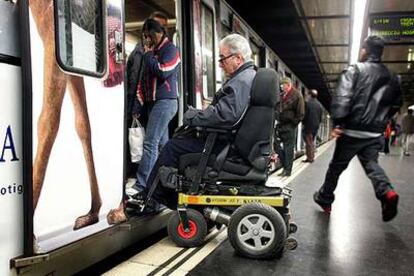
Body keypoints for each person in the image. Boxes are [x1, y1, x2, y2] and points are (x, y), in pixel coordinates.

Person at [128, 33, 256, 209]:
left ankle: (151, 198)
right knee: (179, 141)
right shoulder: (247, 77)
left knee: (172, 147)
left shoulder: (241, 80)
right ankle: (167, 197)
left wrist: (193, 116)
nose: (220, 64)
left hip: (225, 147)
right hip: (232, 143)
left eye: (222, 59)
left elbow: (226, 116)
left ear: (238, 58)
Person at [30, 0, 104, 230]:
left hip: (63, 21)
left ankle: (26, 219)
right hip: (71, 25)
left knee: (49, 116)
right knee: (77, 112)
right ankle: (96, 201)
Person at [313, 36, 402, 222]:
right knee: (372, 165)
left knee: (336, 167)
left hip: (352, 131)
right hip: (374, 133)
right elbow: (397, 104)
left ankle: (325, 198)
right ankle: (387, 192)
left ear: (365, 50)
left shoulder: (355, 70)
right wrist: (382, 120)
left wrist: (338, 123)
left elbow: (342, 98)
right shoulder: (393, 77)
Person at [126, 18, 180, 198]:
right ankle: (162, 183)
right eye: (145, 37)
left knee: (150, 143)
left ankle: (142, 185)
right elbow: (143, 81)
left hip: (166, 102)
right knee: (162, 144)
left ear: (157, 33)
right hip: (153, 103)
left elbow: (164, 71)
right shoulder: (153, 52)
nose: (147, 40)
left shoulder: (170, 49)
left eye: (149, 36)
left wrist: (148, 55)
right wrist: (137, 106)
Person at [274, 77, 304, 176]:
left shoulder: (297, 95)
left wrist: (292, 124)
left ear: (288, 84)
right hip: (280, 125)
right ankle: (285, 166)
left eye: (282, 85)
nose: (281, 87)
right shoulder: (282, 95)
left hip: (289, 126)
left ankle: (287, 170)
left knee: (288, 149)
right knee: (276, 145)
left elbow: (300, 114)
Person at [302, 89, 323, 162]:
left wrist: (303, 123)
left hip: (308, 125)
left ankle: (310, 158)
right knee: (311, 141)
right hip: (316, 126)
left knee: (308, 142)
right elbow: (320, 117)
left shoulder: (307, 103)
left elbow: (305, 115)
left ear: (310, 95)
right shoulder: (319, 105)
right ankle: (310, 156)